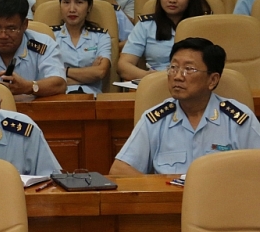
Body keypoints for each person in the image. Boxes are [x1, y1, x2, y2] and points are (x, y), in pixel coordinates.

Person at [110, 38, 260, 175]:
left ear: (212, 80)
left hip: (222, 203)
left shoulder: (238, 119)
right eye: (173, 67)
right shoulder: (155, 120)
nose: (177, 76)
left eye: (189, 69)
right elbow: (119, 171)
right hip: (170, 203)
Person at [118, 0, 210, 81]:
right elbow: (124, 66)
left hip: (196, 85)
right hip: (158, 82)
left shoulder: (205, 24)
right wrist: (148, 76)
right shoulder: (146, 25)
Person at [53, 0, 111, 95]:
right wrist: (89, 74)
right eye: (66, 2)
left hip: (92, 98)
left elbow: (100, 72)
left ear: (89, 7)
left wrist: (65, 71)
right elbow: (45, 78)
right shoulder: (50, 36)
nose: (72, 9)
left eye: (79, 2)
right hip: (58, 97)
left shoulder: (101, 36)